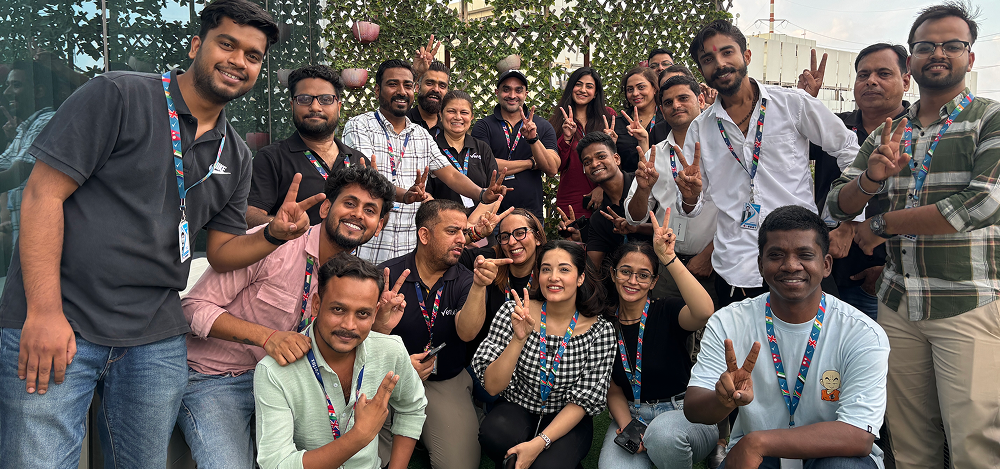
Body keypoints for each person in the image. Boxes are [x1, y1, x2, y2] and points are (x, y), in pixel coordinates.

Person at [0, 1, 323, 467]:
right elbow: (41, 196)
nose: (238, 61)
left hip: (154, 337)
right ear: (196, 46)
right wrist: (44, 312)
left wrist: (272, 234)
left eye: (253, 56)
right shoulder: (118, 95)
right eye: (227, 44)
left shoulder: (236, 153)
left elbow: (223, 253)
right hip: (64, 317)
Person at [826, 4, 1000, 467]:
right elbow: (836, 203)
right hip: (898, 303)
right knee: (908, 443)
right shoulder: (889, 132)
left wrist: (880, 225)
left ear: (970, 56)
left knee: (975, 445)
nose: (938, 53)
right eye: (926, 46)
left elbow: (981, 205)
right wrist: (870, 180)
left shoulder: (989, 119)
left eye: (951, 45)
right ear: (913, 61)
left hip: (966, 300)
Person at [179, 166, 396, 468]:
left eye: (370, 210)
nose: (358, 214)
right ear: (326, 208)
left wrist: (379, 328)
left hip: (290, 379)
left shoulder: (353, 277)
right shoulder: (271, 243)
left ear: (379, 225)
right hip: (218, 378)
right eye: (350, 203)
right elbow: (192, 308)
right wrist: (266, 337)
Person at [686, 205, 890, 468]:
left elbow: (859, 436)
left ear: (826, 265)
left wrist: (757, 442)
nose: (791, 265)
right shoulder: (728, 322)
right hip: (760, 458)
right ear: (760, 265)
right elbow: (694, 408)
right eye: (776, 255)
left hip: (830, 453)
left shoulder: (861, 332)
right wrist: (721, 400)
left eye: (805, 255)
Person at [677, 19, 860, 307]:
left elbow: (850, 150)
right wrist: (689, 197)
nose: (720, 64)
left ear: (746, 56)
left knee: (815, 336)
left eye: (727, 52)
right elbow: (695, 205)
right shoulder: (700, 129)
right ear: (702, 70)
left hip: (801, 259)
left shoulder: (793, 104)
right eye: (708, 59)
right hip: (736, 268)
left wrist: (849, 221)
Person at [254, 252, 428, 469]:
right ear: (316, 304)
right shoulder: (273, 371)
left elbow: (412, 408)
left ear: (375, 313)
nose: (349, 325)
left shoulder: (390, 350)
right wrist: (358, 436)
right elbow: (276, 463)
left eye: (363, 314)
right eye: (338, 309)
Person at [379, 199, 510, 469]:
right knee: (366, 457)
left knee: (459, 465)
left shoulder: (466, 279)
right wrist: (390, 344)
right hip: (387, 375)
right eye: (452, 231)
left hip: (444, 379)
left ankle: (443, 419)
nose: (462, 239)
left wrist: (479, 286)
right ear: (424, 235)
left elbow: (467, 333)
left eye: (463, 231)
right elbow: (360, 340)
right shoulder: (388, 275)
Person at [343, 59, 505, 265]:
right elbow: (369, 179)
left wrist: (482, 194)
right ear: (377, 90)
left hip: (410, 248)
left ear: (414, 90)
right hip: (368, 242)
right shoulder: (359, 126)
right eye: (393, 84)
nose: (401, 91)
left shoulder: (421, 135)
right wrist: (405, 195)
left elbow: (451, 174)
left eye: (408, 85)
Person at [475, 240, 616, 469]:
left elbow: (583, 401)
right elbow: (492, 387)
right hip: (518, 406)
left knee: (543, 465)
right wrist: (518, 339)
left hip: (566, 416)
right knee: (495, 434)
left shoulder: (600, 331)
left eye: (564, 269)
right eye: (546, 269)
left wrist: (539, 443)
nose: (553, 277)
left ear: (580, 278)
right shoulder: (514, 311)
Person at [598, 211, 718, 469]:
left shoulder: (668, 310)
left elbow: (704, 311)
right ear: (613, 274)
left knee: (664, 437)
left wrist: (668, 258)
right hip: (633, 414)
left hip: (683, 413)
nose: (633, 281)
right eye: (625, 272)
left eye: (643, 275)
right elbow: (613, 388)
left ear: (653, 282)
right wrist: (628, 426)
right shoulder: (604, 323)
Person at [801, 44, 911, 319]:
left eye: (883, 73)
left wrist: (887, 270)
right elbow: (787, 150)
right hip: (822, 267)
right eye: (863, 75)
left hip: (882, 274)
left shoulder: (921, 134)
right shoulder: (834, 126)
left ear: (906, 81)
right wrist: (803, 105)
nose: (871, 81)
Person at [626, 75, 719, 305]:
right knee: (665, 324)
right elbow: (634, 218)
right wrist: (643, 190)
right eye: (668, 102)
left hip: (713, 265)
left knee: (710, 326)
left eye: (683, 98)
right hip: (666, 263)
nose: (676, 105)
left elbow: (740, 211)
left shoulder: (723, 150)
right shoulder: (654, 155)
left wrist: (709, 255)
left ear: (701, 100)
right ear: (662, 110)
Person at [248, 65, 370, 227]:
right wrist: (283, 226)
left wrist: (376, 198)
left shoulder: (358, 161)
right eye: (304, 99)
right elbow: (250, 214)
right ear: (292, 106)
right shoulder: (272, 158)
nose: (315, 107)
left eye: (326, 99)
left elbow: (377, 216)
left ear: (339, 107)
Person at [0, 58, 76, 246]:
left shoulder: (47, 121)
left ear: (39, 91)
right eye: (7, 85)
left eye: (16, 85)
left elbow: (16, 174)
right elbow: (3, 164)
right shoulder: (26, 129)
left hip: (48, 246)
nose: (7, 92)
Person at [471, 69, 560, 220]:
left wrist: (533, 139)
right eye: (506, 89)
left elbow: (552, 169)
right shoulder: (483, 126)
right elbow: (485, 166)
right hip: (490, 215)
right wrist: (531, 163)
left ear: (526, 94)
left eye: (518, 90)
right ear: (497, 92)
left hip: (530, 215)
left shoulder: (542, 126)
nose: (512, 95)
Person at [573, 132, 651, 268]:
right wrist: (576, 243)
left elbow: (673, 229)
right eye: (587, 162)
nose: (594, 164)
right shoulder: (599, 218)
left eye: (601, 156)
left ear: (616, 159)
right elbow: (593, 268)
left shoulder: (644, 183)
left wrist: (637, 228)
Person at [549, 67, 616, 218]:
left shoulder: (607, 116)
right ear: (571, 88)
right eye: (578, 84)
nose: (583, 90)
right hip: (572, 199)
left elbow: (617, 158)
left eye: (589, 86)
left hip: (607, 195)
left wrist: (603, 187)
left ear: (596, 93)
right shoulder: (557, 121)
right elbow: (557, 167)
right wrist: (566, 139)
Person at [427, 90, 499, 207]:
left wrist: (473, 219)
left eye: (464, 112)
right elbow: (426, 195)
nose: (458, 117)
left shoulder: (482, 148)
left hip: (481, 218)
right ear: (440, 114)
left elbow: (493, 193)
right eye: (451, 111)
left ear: (471, 117)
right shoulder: (431, 148)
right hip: (441, 217)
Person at [612, 66, 662, 173]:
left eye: (641, 87)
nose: (635, 93)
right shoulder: (617, 124)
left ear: (654, 88)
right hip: (627, 182)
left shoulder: (667, 120)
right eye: (630, 89)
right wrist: (609, 145)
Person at [407, 60, 448, 138]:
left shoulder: (448, 129)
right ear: (417, 87)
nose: (436, 89)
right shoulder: (403, 122)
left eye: (442, 86)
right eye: (429, 83)